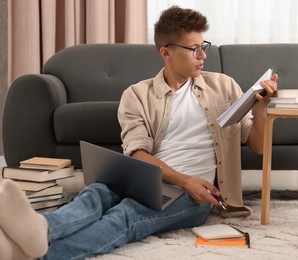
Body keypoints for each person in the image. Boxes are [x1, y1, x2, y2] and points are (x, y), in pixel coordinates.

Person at [0, 6, 277, 260]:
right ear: (166, 52)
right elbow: (137, 152)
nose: (203, 55)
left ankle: (36, 255)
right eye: (193, 48)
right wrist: (182, 178)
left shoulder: (224, 86)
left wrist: (262, 109)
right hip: (149, 179)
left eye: (203, 46)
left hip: (194, 196)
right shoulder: (137, 95)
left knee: (125, 217)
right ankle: (39, 228)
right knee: (94, 195)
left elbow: (258, 147)